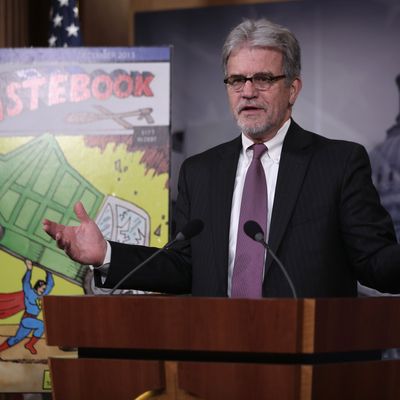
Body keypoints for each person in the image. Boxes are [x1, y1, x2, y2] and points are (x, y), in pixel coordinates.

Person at [43, 18, 400, 298]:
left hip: (309, 365)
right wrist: (106, 253)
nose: (247, 91)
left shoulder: (338, 163)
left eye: (262, 78)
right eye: (236, 80)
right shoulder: (200, 172)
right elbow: (184, 267)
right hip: (217, 358)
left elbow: (373, 264)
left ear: (292, 88)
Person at [0, 260, 54, 355]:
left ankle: (27, 345)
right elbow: (26, 282)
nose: (44, 290)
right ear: (38, 287)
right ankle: (29, 344)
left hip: (32, 320)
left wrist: (48, 270)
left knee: (15, 339)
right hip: (27, 319)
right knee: (41, 325)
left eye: (45, 289)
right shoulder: (30, 292)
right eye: (43, 288)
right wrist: (29, 269)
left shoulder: (42, 295)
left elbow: (51, 284)